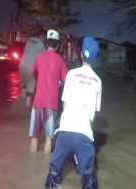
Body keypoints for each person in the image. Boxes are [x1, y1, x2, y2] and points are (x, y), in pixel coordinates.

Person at [45, 36, 102, 189]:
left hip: (64, 132)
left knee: (54, 173)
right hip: (84, 135)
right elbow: (93, 116)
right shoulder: (98, 81)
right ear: (95, 58)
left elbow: (64, 105)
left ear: (81, 54)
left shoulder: (71, 74)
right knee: (89, 180)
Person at [29, 29, 68, 154]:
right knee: (49, 138)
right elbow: (67, 81)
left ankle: (32, 163)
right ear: (57, 45)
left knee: (34, 136)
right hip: (52, 104)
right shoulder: (60, 61)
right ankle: (45, 169)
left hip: (37, 102)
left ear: (46, 44)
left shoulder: (39, 57)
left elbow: (33, 72)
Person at [19, 29, 47, 107]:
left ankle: (20, 105)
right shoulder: (41, 45)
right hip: (31, 69)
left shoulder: (29, 40)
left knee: (23, 86)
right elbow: (44, 59)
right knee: (30, 92)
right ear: (42, 36)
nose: (45, 40)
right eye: (45, 38)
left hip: (21, 66)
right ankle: (26, 111)